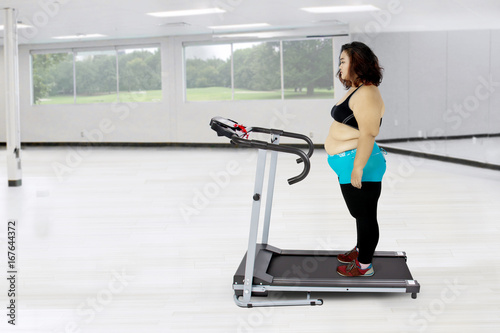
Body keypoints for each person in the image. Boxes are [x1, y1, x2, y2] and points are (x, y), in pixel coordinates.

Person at [324, 41, 386, 277]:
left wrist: (358, 167)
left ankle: (364, 266)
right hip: (347, 160)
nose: (339, 66)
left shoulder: (368, 93)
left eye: (343, 61)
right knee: (361, 213)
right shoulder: (357, 89)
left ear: (357, 63)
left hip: (361, 162)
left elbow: (369, 132)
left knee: (366, 214)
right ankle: (361, 249)